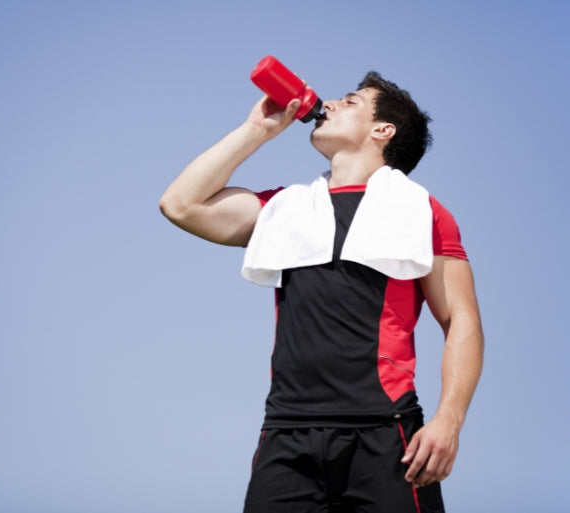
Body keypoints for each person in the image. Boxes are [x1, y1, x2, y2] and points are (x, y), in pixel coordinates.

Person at [159, 70, 484, 513]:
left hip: (385, 433)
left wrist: (450, 420)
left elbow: (461, 320)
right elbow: (181, 204)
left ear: (382, 130)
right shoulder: (283, 208)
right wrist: (257, 130)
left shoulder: (421, 210)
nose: (328, 105)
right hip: (287, 434)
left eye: (350, 102)